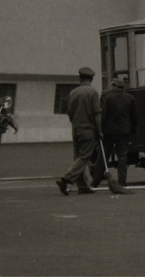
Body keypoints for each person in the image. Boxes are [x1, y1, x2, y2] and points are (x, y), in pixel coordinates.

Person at [56, 66, 100, 195]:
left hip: (76, 128)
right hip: (88, 129)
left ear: (80, 78)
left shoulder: (73, 93)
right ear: (91, 79)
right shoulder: (93, 93)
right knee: (85, 157)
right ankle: (66, 179)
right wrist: (100, 131)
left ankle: (82, 186)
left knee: (78, 157)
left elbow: (69, 112)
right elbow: (97, 114)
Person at [94, 77, 138, 187]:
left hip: (109, 132)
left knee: (103, 157)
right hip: (124, 132)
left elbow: (103, 116)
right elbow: (134, 116)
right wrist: (133, 129)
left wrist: (100, 130)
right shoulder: (130, 98)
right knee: (122, 157)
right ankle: (122, 181)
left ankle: (95, 181)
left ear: (114, 86)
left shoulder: (108, 98)